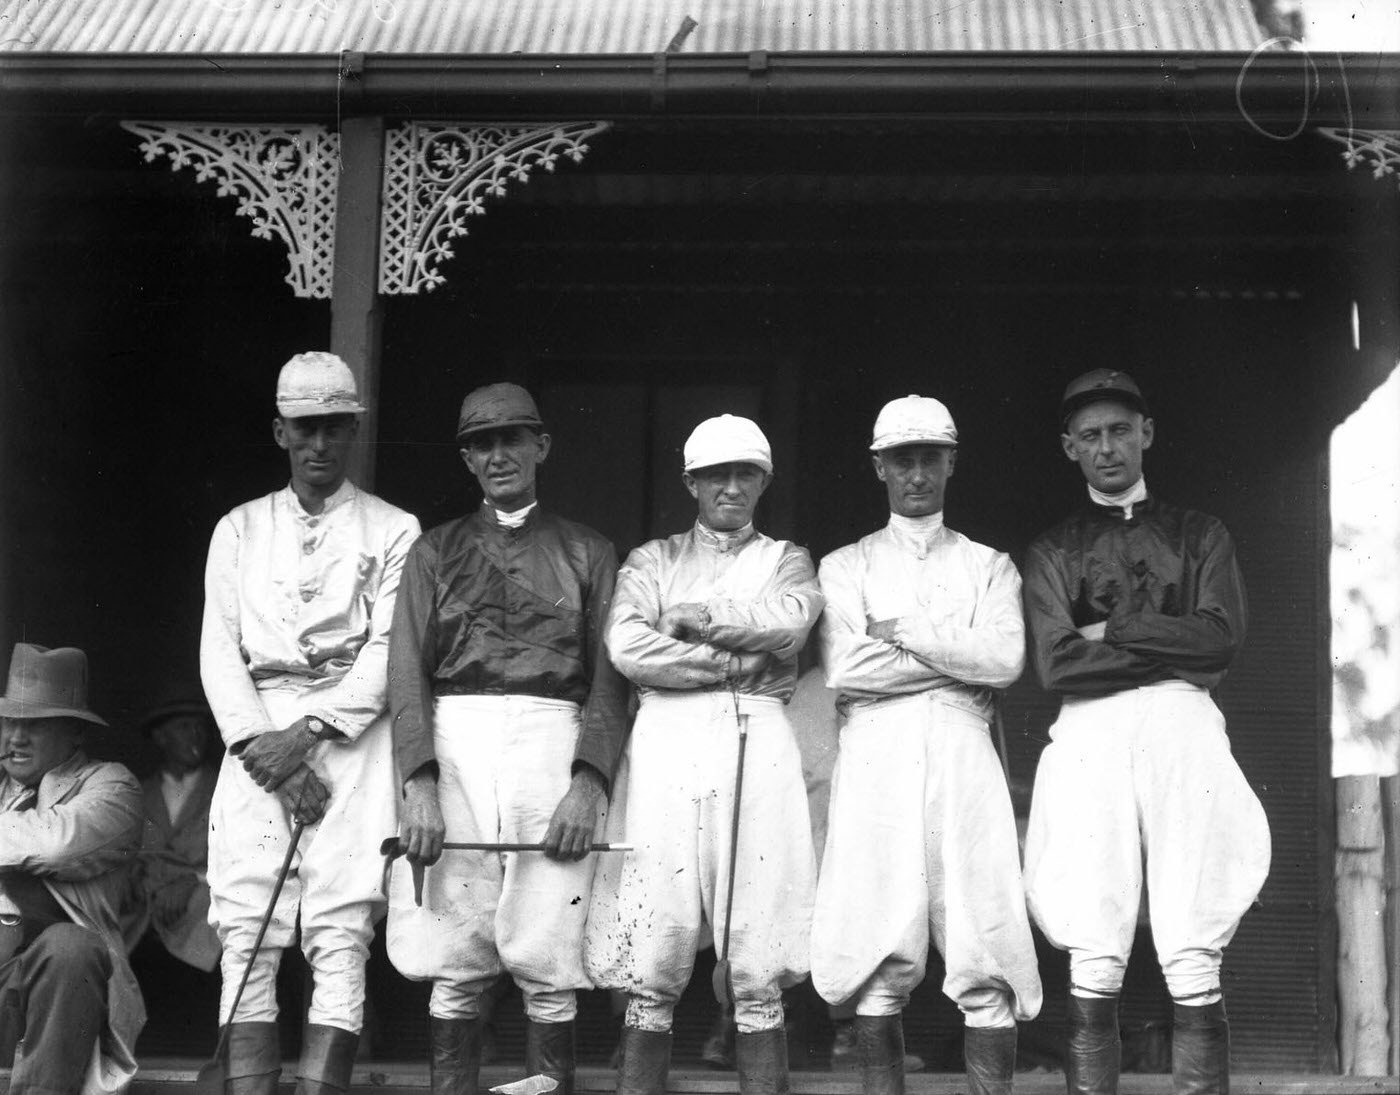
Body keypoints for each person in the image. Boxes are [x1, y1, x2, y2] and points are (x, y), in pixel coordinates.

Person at [1020, 369, 1271, 1095]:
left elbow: (1219, 641)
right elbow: (1059, 661)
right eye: (1091, 435)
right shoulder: (1054, 548)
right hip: (1091, 734)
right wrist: (1172, 636)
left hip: (1182, 725)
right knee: (1094, 936)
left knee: (1192, 933)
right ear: (1070, 446)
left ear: (1147, 433)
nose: (1108, 448)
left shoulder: (1201, 534)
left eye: (1121, 431)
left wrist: (1119, 625)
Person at [387, 382, 630, 1095]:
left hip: (552, 745)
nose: (499, 455)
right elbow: (407, 671)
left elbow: (611, 681)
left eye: (512, 439)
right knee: (454, 952)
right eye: (483, 443)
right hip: (455, 744)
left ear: (541, 446)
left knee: (549, 951)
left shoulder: (589, 551)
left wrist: (590, 782)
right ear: (467, 457)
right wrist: (419, 783)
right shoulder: (434, 551)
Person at [201, 351, 420, 1095]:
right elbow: (218, 652)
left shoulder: (395, 528)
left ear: (352, 430)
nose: (319, 444)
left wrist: (314, 732)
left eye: (333, 427)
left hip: (351, 737)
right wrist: (275, 751)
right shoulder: (239, 527)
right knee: (246, 923)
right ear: (279, 431)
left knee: (339, 924)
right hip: (257, 734)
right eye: (304, 428)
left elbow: (390, 646)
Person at [586, 414, 823, 1095]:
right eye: (716, 474)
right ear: (691, 481)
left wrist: (699, 621)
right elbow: (629, 646)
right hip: (666, 737)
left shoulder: (787, 557)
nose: (730, 487)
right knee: (655, 932)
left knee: (759, 934)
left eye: (744, 472)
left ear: (764, 479)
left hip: (759, 732)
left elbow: (793, 621)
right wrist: (732, 658)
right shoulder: (650, 559)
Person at [811, 395, 1042, 1095]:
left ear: (951, 463)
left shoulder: (990, 565)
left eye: (929, 458)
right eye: (902, 459)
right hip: (875, 753)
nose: (917, 473)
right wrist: (954, 646)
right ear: (879, 467)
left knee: (984, 930)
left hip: (964, 747)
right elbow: (846, 668)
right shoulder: (844, 566)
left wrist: (903, 628)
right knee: (879, 941)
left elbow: (1002, 660)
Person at [0, 642, 145, 1095]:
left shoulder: (111, 785)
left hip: (56, 997)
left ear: (75, 733)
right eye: (9, 721)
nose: (16, 737)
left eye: (36, 724)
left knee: (69, 947)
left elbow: (59, 845)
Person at [128, 690, 222, 974]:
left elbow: (245, 858)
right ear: (160, 737)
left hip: (200, 910)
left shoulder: (225, 787)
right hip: (142, 912)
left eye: (200, 727)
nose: (196, 736)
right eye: (184, 727)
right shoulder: (136, 794)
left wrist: (192, 880)